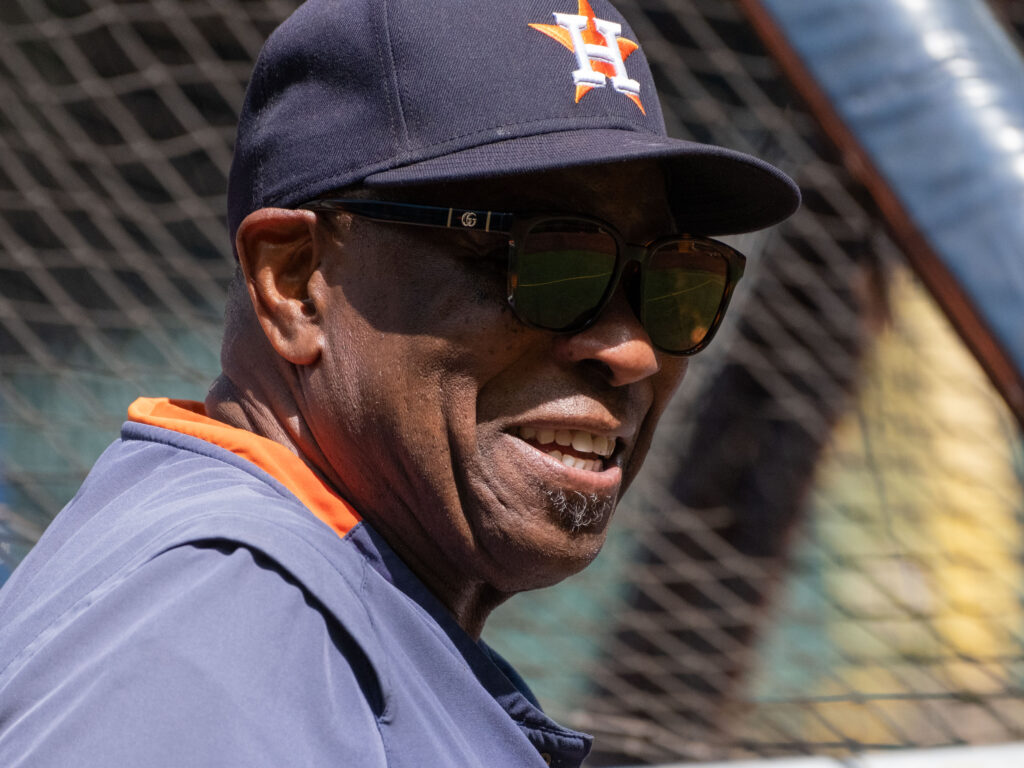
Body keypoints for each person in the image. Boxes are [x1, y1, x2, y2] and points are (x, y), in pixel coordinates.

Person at [0, 0, 798, 765]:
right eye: (551, 263)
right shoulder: (211, 639)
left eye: (675, 281)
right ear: (297, 281)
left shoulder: (318, 604)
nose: (631, 351)